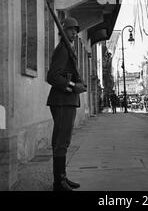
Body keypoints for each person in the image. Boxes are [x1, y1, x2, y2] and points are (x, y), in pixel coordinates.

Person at [46, 17, 87, 191]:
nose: (74, 32)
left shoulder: (68, 49)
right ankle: (58, 182)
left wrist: (78, 83)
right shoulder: (62, 49)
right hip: (62, 101)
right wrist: (73, 86)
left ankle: (62, 177)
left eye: (76, 30)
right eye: (71, 29)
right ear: (64, 30)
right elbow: (52, 77)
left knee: (64, 141)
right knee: (61, 141)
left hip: (67, 101)